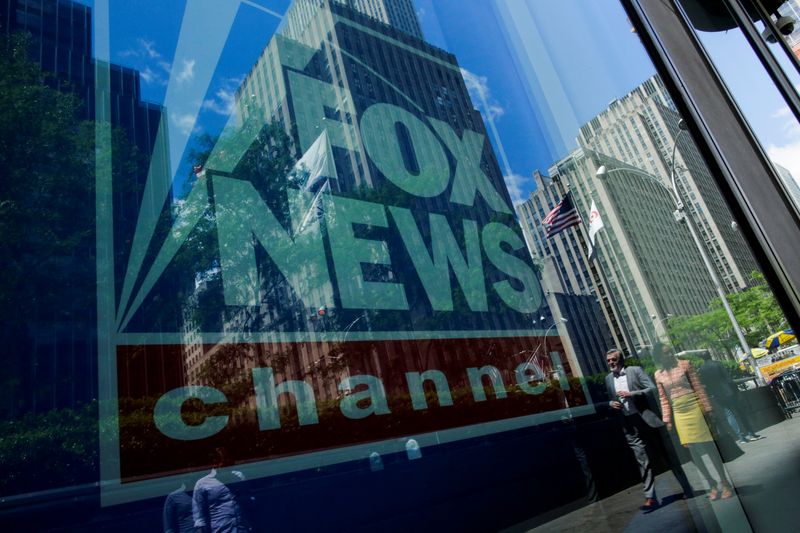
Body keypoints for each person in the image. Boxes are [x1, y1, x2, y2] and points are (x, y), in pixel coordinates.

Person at [604, 348, 693, 511]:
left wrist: (632, 394)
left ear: (621, 360)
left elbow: (651, 388)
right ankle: (650, 498)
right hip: (629, 424)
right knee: (641, 460)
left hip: (648, 420)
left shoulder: (635, 371)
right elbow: (610, 398)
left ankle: (687, 487)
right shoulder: (608, 379)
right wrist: (611, 404)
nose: (610, 362)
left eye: (613, 359)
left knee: (668, 455)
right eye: (608, 360)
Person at [654, 348, 734, 501]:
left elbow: (698, 387)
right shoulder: (658, 374)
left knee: (709, 447)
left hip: (695, 407)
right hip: (679, 412)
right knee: (693, 451)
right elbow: (663, 398)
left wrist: (708, 408)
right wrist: (667, 420)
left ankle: (724, 482)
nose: (670, 354)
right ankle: (711, 483)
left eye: (670, 351)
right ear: (659, 357)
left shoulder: (685, 364)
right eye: (665, 353)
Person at [697, 351, 763, 445]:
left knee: (729, 414)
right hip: (729, 392)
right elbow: (728, 378)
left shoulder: (701, 369)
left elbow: (704, 383)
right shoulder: (718, 364)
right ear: (710, 355)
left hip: (717, 395)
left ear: (701, 359)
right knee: (740, 412)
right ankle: (751, 433)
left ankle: (741, 437)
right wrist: (735, 389)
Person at [192, 447, 254, 532]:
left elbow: (248, 502)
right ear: (215, 464)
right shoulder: (202, 484)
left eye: (231, 464)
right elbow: (199, 518)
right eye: (224, 465)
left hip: (242, 529)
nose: (229, 468)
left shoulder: (238, 477)